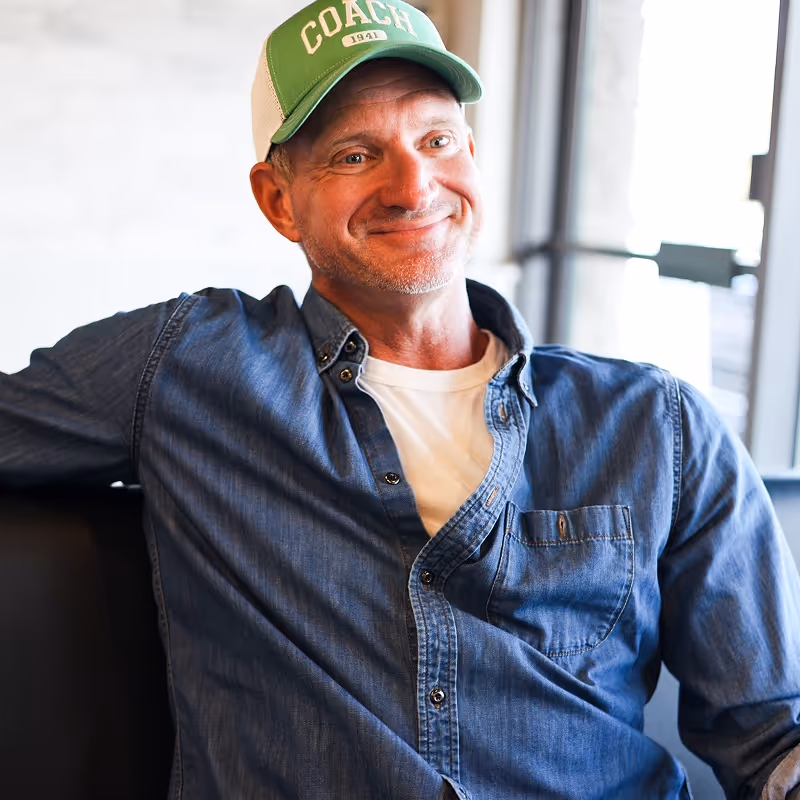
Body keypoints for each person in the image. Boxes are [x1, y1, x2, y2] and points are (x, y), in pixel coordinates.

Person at [1, 0, 799, 797]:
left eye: (436, 140)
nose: (412, 186)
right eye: (355, 155)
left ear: (472, 160)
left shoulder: (657, 425)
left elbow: (771, 738)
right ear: (279, 200)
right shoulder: (190, 365)